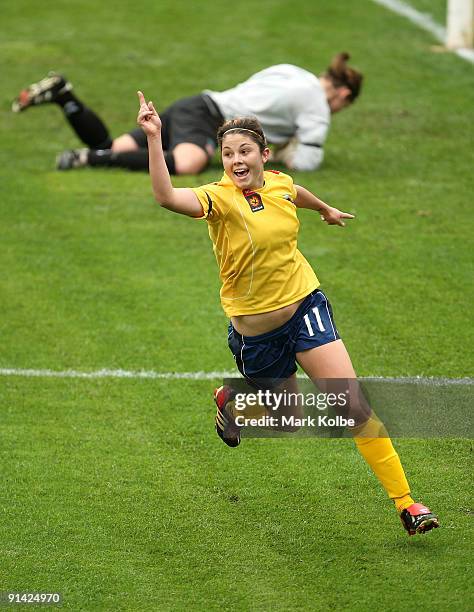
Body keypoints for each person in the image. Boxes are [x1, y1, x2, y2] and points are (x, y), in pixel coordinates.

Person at [135, 90, 439, 536]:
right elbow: (165, 197)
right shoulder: (217, 199)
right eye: (227, 154)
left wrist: (325, 209)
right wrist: (154, 137)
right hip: (257, 334)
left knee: (352, 405)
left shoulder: (277, 183)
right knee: (288, 418)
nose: (236, 161)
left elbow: (293, 191)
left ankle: (408, 505)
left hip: (306, 307)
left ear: (264, 153)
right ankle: (236, 406)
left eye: (244, 152)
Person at [12, 53, 362, 174]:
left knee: (116, 147)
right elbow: (307, 163)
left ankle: (66, 97)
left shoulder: (292, 71)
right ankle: (89, 159)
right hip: (209, 120)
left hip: (197, 103)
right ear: (343, 94)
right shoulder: (317, 107)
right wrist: (287, 152)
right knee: (186, 163)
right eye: (343, 106)